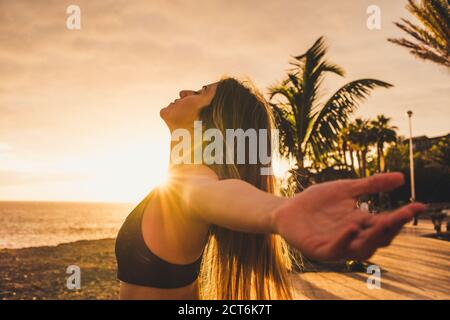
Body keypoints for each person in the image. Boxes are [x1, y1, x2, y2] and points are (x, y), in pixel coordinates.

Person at [115, 77, 426, 300]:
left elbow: (210, 194)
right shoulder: (182, 177)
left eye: (200, 91)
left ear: (213, 122)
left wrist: (279, 211)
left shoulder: (190, 179)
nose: (184, 90)